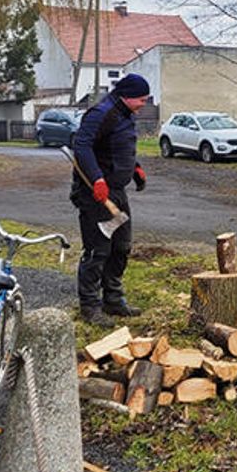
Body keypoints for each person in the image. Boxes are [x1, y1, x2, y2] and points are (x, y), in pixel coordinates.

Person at [71, 73, 150, 324]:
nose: (144, 104)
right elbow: (82, 147)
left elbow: (116, 147)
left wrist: (134, 168)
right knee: (98, 250)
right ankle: (90, 306)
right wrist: (97, 179)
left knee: (122, 246)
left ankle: (113, 300)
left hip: (116, 193)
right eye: (141, 99)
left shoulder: (125, 114)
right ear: (127, 96)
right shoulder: (101, 113)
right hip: (96, 195)